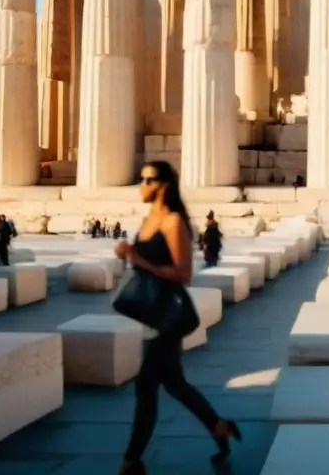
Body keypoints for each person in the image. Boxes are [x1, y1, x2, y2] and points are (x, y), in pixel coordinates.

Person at [114, 160, 241, 474]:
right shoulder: (148, 220)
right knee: (174, 384)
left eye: (148, 180)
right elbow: (143, 263)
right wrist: (129, 256)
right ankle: (218, 426)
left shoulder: (172, 222)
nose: (141, 185)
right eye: (140, 179)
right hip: (152, 315)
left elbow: (183, 274)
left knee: (146, 387)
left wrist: (137, 259)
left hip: (168, 315)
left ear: (164, 185)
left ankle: (131, 460)